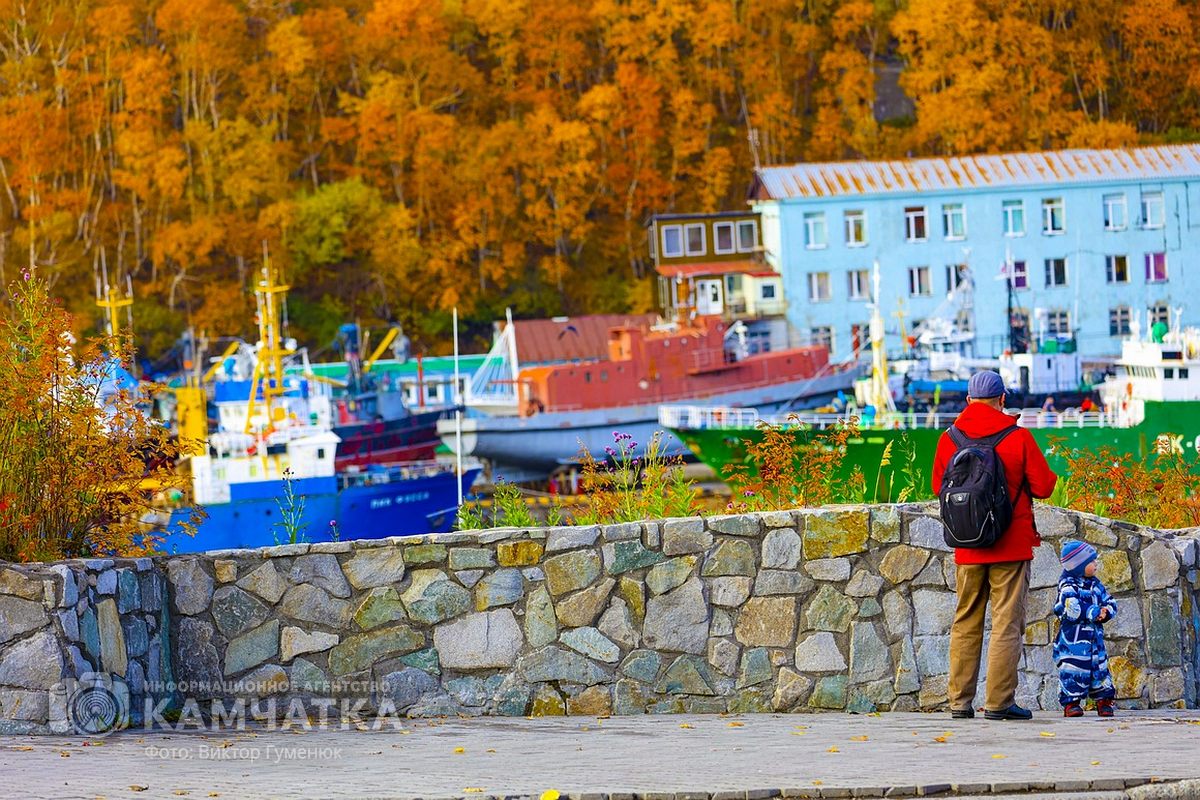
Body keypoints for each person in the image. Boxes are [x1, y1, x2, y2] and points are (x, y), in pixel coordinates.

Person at [932, 370, 1058, 721]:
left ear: (969, 400)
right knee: (1006, 624)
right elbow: (1045, 486)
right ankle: (999, 703)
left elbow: (936, 486)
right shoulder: (1018, 438)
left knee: (965, 620)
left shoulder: (949, 438)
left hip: (967, 546)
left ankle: (959, 702)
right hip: (1011, 546)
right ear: (1002, 399)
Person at [1054, 541, 1117, 718]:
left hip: (1095, 642)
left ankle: (1104, 701)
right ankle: (1071, 703)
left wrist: (1106, 612)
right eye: (1092, 561)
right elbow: (1070, 608)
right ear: (1078, 565)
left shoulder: (1096, 585)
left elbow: (1109, 600)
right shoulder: (1067, 586)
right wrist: (1092, 612)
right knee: (1073, 671)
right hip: (1073, 643)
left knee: (1100, 671)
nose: (1096, 564)